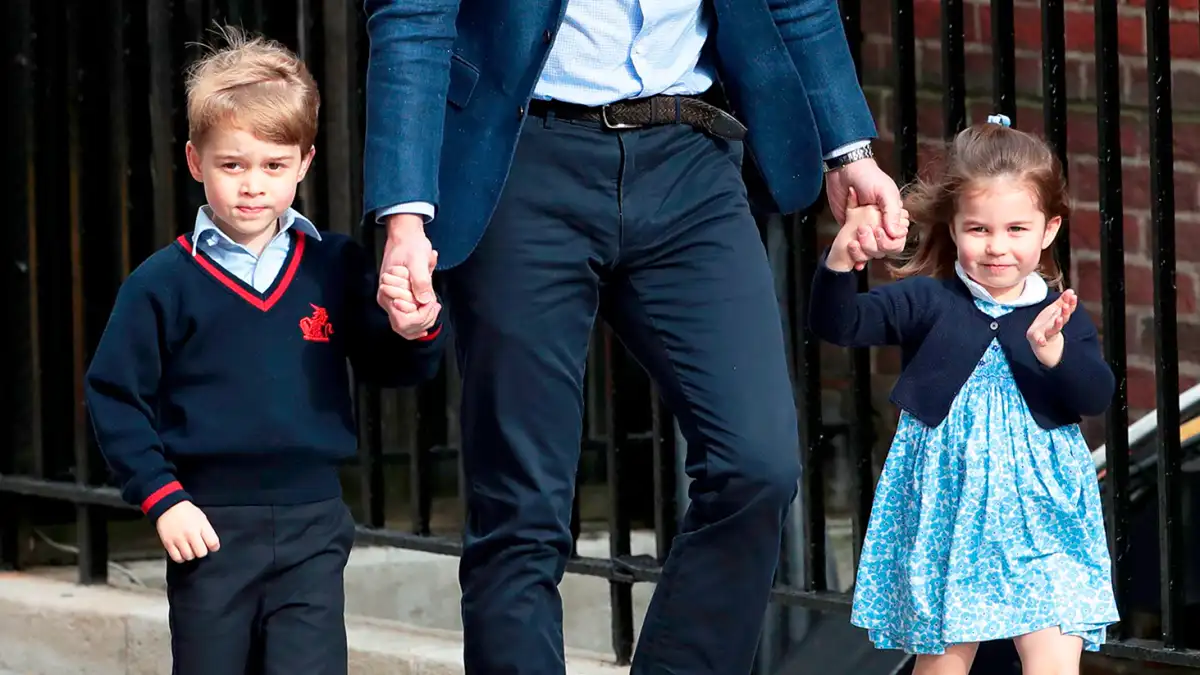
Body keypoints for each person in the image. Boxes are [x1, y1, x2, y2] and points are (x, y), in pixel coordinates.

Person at [361, 1, 906, 672]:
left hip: (689, 156)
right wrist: (406, 215)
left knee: (757, 464)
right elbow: (413, 15)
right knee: (520, 512)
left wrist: (847, 148)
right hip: (523, 156)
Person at [83, 27, 446, 675]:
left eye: (274, 166)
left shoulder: (335, 266)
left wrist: (414, 329)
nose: (253, 185)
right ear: (195, 161)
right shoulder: (161, 283)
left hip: (313, 522)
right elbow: (114, 396)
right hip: (207, 525)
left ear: (305, 161)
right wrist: (161, 496)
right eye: (233, 165)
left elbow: (391, 368)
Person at [809, 116, 1120, 675]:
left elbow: (1097, 393)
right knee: (946, 662)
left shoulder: (1058, 313)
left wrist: (1055, 356)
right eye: (979, 230)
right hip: (951, 511)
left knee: (1053, 656)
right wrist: (840, 261)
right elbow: (842, 323)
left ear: (1049, 229)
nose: (998, 248)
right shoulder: (930, 301)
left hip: (1043, 514)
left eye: (1016, 230)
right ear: (953, 228)